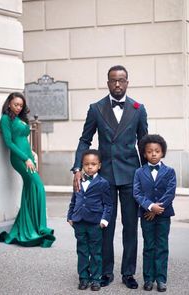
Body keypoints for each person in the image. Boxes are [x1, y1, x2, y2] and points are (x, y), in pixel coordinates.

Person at [72, 65, 148, 289]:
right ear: (107, 83)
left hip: (131, 174)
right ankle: (105, 271)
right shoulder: (96, 108)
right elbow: (85, 140)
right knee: (104, 225)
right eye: (113, 80)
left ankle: (128, 273)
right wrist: (78, 167)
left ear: (127, 82)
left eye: (121, 80)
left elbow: (144, 144)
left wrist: (146, 177)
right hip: (103, 177)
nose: (117, 84)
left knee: (130, 226)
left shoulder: (138, 108)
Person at [0, 92, 55, 248]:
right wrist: (25, 158)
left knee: (30, 188)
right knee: (38, 186)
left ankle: (32, 225)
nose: (18, 107)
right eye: (16, 104)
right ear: (9, 103)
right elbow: (9, 143)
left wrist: (32, 154)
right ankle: (40, 227)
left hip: (28, 157)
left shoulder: (20, 119)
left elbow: (24, 140)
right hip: (19, 158)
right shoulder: (5, 119)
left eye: (21, 105)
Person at [133, 134, 176, 292]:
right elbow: (137, 193)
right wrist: (150, 207)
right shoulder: (139, 172)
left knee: (162, 246)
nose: (153, 154)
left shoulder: (170, 171)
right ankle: (148, 279)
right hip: (146, 216)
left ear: (162, 152)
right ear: (144, 154)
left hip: (164, 216)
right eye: (149, 151)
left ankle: (161, 279)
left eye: (157, 151)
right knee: (149, 246)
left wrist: (157, 210)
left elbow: (170, 193)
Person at [68, 149, 112, 291]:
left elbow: (108, 204)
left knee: (95, 252)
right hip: (79, 222)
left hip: (95, 223)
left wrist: (104, 220)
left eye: (93, 164)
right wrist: (70, 216)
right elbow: (74, 200)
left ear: (99, 165)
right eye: (86, 164)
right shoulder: (78, 180)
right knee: (82, 251)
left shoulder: (103, 183)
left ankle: (95, 279)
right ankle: (83, 278)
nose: (90, 167)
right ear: (82, 165)